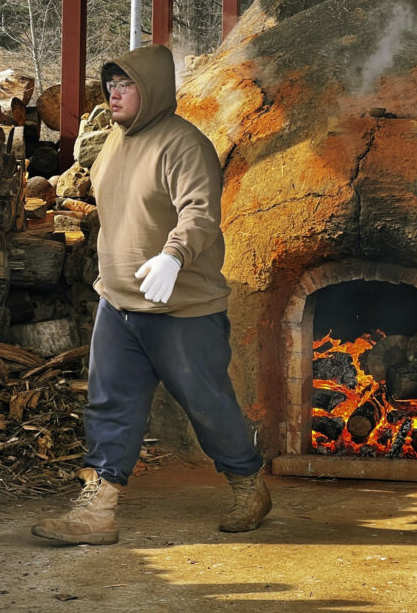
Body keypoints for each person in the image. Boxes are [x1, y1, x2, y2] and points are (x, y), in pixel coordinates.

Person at [31, 44, 271, 545]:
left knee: (208, 405)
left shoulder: (184, 146)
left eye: (126, 85)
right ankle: (98, 510)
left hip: (182, 309)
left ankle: (248, 483)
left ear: (154, 90)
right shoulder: (116, 142)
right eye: (111, 85)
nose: (114, 94)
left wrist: (174, 256)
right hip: (117, 304)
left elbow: (200, 214)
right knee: (108, 405)